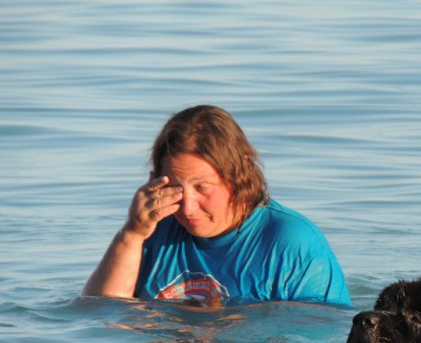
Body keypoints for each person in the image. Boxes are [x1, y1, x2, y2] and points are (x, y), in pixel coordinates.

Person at [83, 105, 351, 306]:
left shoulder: (291, 243)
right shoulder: (152, 230)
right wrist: (130, 235)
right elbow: (104, 319)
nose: (187, 207)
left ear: (240, 173)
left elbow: (319, 338)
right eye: (174, 187)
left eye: (202, 188)